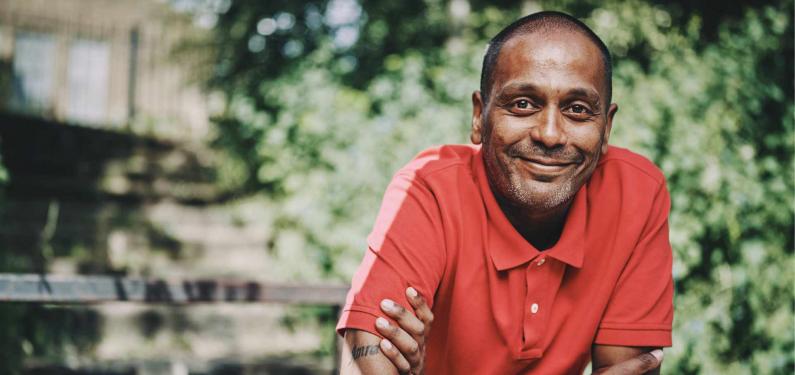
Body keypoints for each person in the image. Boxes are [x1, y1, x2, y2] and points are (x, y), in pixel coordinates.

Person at [337, 10, 673, 374]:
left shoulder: (637, 193)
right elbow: (364, 360)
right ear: (479, 117)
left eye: (577, 110)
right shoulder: (430, 188)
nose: (549, 134)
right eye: (523, 104)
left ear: (606, 128)